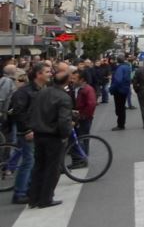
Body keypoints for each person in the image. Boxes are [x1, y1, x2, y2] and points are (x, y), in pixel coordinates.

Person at [27, 65, 73, 209]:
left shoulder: (42, 92)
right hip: (53, 136)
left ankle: (33, 198)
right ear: (67, 82)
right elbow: (64, 120)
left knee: (39, 166)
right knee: (52, 169)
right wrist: (65, 135)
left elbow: (33, 111)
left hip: (39, 134)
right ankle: (46, 199)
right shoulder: (64, 97)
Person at [7, 62, 46, 205]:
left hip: (36, 130)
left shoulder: (40, 89)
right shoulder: (24, 92)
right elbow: (19, 113)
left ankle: (28, 189)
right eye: (47, 71)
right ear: (38, 74)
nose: (50, 73)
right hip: (27, 132)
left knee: (32, 160)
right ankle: (19, 193)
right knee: (28, 161)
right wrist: (27, 130)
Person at [70, 69, 97, 168]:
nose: (72, 80)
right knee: (78, 138)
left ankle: (83, 159)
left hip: (84, 118)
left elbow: (91, 104)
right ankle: (81, 158)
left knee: (82, 138)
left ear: (82, 80)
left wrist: (82, 116)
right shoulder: (74, 88)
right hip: (77, 117)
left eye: (74, 78)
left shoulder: (87, 89)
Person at [109, 54, 132, 131]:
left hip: (119, 90)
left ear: (117, 60)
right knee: (122, 107)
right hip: (125, 89)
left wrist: (111, 88)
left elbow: (118, 80)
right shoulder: (127, 67)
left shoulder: (120, 68)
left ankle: (120, 125)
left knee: (119, 108)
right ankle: (121, 124)